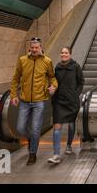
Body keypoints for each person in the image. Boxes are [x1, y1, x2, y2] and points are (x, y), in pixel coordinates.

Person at [10, 37, 58, 165]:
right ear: (29, 49)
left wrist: (54, 86)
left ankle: (32, 153)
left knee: (36, 129)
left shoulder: (47, 61)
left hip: (39, 100)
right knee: (20, 128)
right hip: (24, 100)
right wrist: (13, 95)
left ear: (41, 48)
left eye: (37, 47)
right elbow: (15, 79)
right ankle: (31, 139)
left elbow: (52, 77)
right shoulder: (23, 60)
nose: (35, 50)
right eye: (33, 48)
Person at [48, 46, 84, 164]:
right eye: (62, 52)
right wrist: (52, 88)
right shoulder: (57, 67)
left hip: (71, 101)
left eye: (66, 53)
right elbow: (54, 81)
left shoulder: (76, 67)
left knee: (71, 124)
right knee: (57, 126)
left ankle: (69, 145)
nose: (64, 54)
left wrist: (75, 94)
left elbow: (81, 82)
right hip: (59, 101)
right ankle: (56, 154)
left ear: (70, 54)